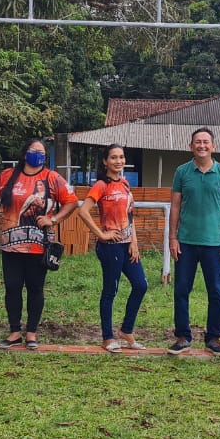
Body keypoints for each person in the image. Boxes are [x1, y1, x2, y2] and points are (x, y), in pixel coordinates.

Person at [0, 138, 78, 350]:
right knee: (13, 287)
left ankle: (32, 333)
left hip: (39, 245)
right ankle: (15, 332)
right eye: (35, 151)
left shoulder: (52, 178)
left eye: (43, 152)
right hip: (12, 244)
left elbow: (72, 202)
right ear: (25, 153)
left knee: (36, 289)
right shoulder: (8, 176)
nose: (39, 155)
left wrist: (53, 220)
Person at [167, 127, 220, 356]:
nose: (202, 145)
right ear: (191, 146)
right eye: (198, 142)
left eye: (206, 142)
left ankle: (214, 338)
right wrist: (172, 237)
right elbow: (175, 206)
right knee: (181, 290)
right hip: (185, 242)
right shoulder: (182, 172)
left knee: (216, 292)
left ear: (213, 146)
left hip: (214, 243)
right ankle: (182, 337)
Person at [75, 144, 149, 352]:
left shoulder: (125, 184)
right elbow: (83, 211)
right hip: (110, 248)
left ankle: (126, 331)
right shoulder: (101, 185)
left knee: (141, 285)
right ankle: (107, 337)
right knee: (111, 290)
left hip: (127, 245)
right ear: (105, 162)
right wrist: (101, 234)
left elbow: (129, 215)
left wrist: (134, 242)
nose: (118, 161)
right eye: (114, 158)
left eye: (121, 157)